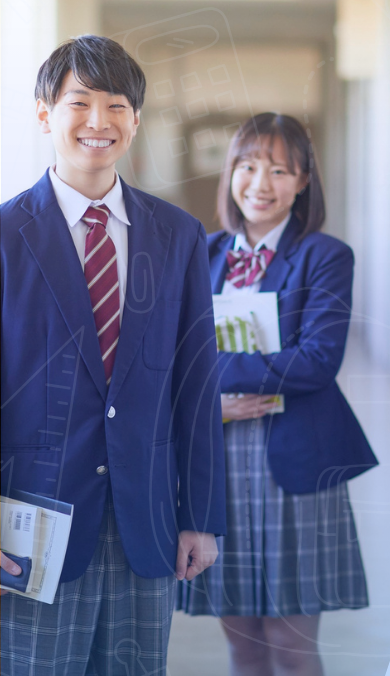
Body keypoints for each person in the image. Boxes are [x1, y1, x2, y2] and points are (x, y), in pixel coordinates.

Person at [0, 34, 224, 673]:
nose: (99, 122)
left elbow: (196, 382)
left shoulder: (176, 234)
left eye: (117, 105)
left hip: (146, 521)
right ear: (45, 114)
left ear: (135, 120)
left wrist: (200, 516)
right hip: (28, 524)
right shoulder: (6, 236)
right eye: (80, 102)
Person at [181, 113, 377, 676]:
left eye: (279, 170)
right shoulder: (202, 253)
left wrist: (213, 369)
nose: (260, 183)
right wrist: (213, 400)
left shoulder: (325, 256)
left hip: (293, 466)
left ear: (302, 181)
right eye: (247, 166)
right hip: (216, 467)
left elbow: (317, 361)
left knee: (290, 645)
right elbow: (170, 360)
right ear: (230, 174)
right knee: (241, 643)